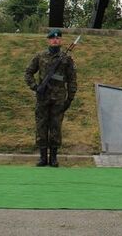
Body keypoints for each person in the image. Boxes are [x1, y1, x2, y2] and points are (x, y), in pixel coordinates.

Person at [24, 29, 78, 167]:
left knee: (56, 127)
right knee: (41, 126)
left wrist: (70, 98)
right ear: (48, 40)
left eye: (58, 38)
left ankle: (53, 158)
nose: (55, 40)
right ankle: (43, 158)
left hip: (58, 99)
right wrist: (35, 87)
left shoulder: (66, 59)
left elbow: (72, 79)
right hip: (43, 98)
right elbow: (28, 72)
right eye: (53, 38)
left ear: (61, 41)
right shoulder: (40, 56)